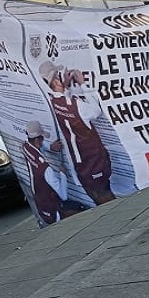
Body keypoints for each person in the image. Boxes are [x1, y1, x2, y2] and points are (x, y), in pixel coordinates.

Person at [39, 60, 116, 204]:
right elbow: (95, 111)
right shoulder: (76, 105)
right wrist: (83, 84)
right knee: (106, 198)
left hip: (80, 163)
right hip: (93, 159)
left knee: (98, 198)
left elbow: (65, 104)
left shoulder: (54, 102)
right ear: (56, 80)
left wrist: (65, 88)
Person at [22, 120, 70, 226]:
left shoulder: (25, 146)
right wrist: (63, 174)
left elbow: (36, 146)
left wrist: (49, 147)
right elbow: (63, 195)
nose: (43, 141)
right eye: (42, 139)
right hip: (54, 212)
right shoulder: (45, 169)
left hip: (40, 204)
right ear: (38, 140)